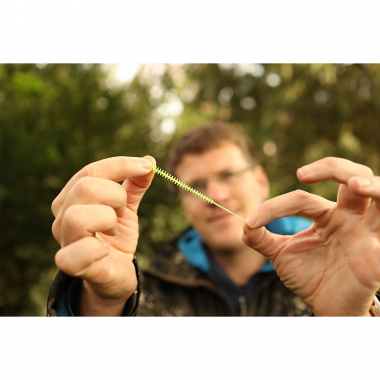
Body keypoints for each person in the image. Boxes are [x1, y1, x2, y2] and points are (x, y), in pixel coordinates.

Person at [47, 122, 380, 316]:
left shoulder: (353, 264)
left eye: (228, 174)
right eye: (195, 186)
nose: (216, 196)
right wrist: (102, 303)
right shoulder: (148, 291)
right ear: (182, 202)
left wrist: (353, 324)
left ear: (261, 180)